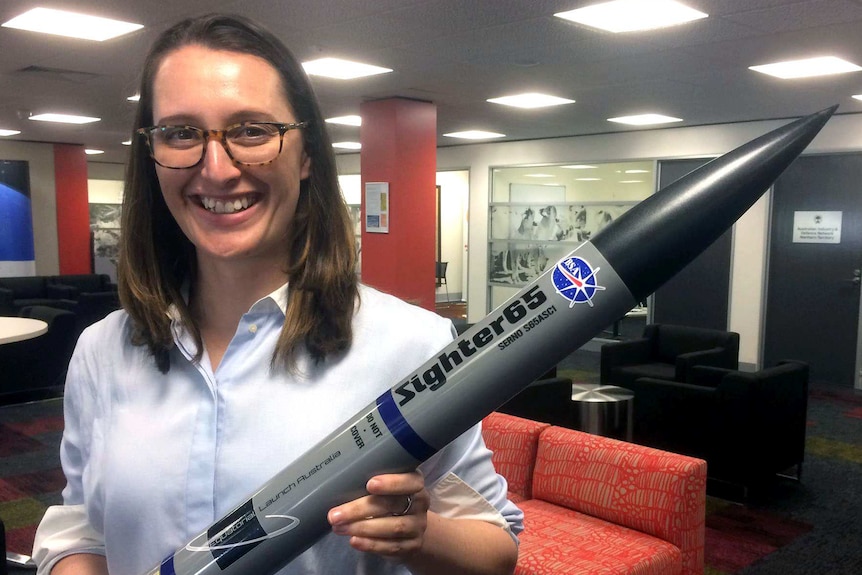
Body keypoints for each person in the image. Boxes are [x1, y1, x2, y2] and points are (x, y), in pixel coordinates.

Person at [32, 13, 522, 575]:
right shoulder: (102, 351)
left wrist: (419, 533)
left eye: (251, 130)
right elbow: (82, 526)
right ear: (152, 155)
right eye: (182, 133)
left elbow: (494, 548)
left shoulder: (411, 344)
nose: (216, 169)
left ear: (306, 152)